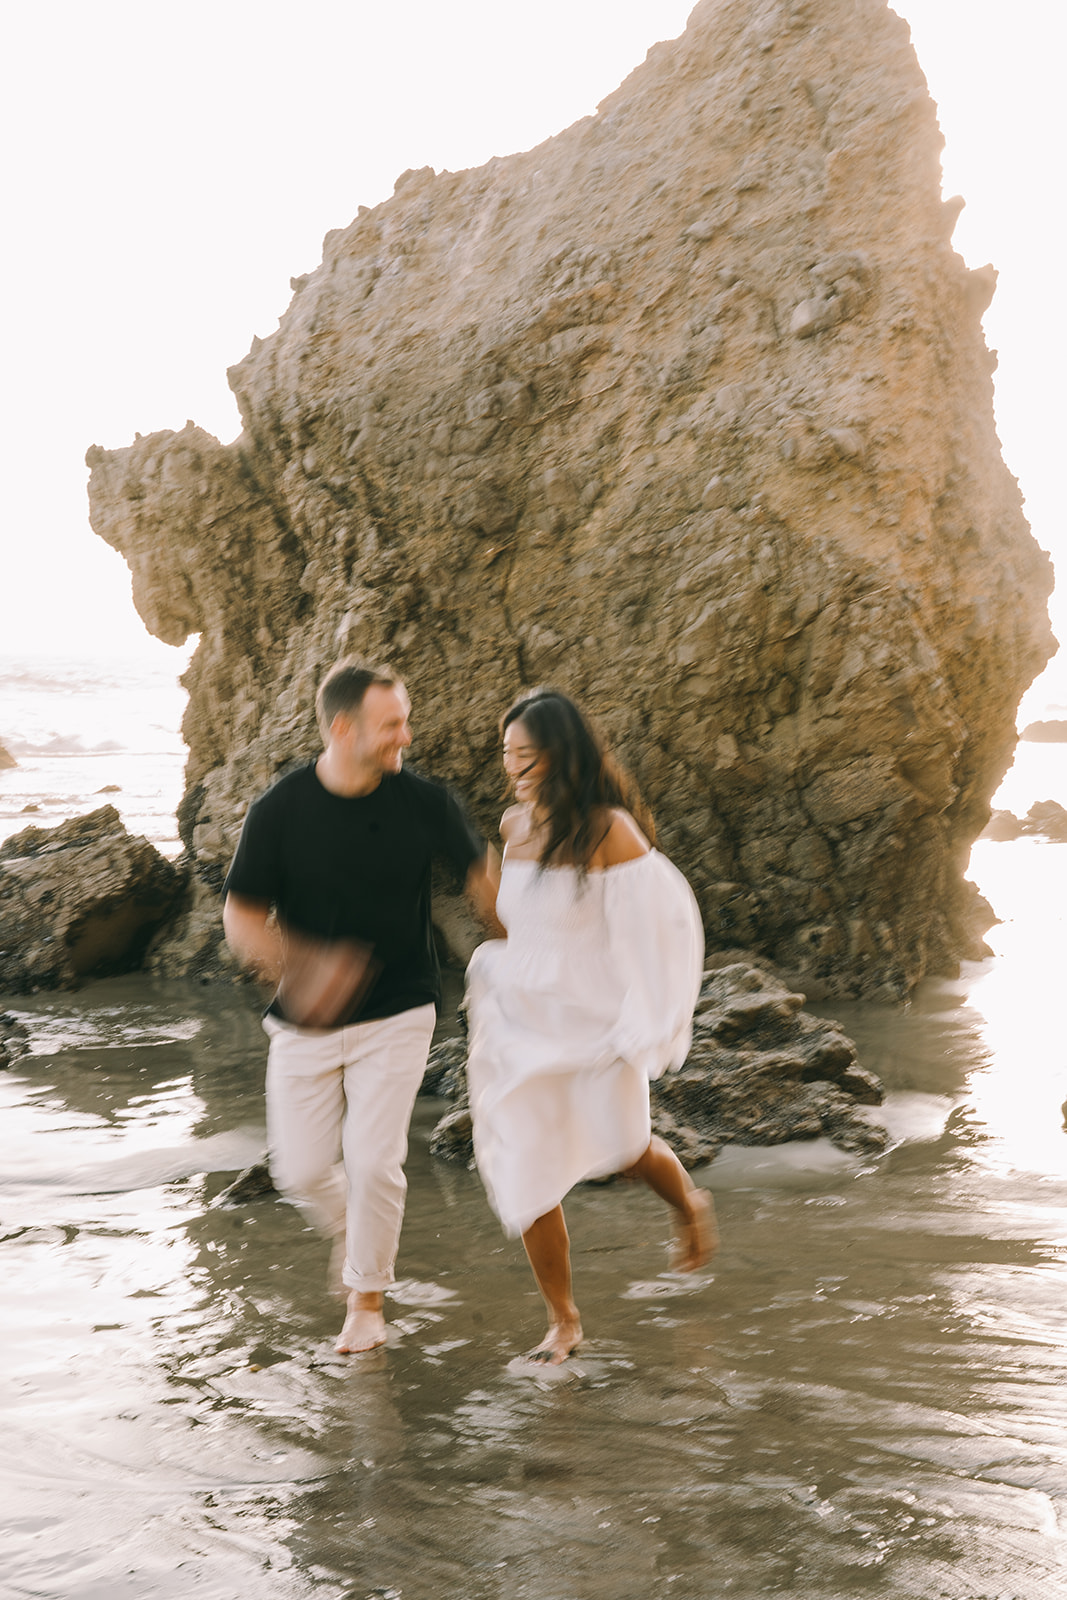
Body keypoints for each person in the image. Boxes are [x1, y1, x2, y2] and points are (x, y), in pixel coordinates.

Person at [222, 659, 498, 1354]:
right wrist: (296, 966)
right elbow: (242, 915)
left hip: (400, 1008)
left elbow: (483, 885)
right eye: (391, 725)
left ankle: (366, 1302)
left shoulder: (425, 802)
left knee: (375, 1161)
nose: (405, 736)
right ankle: (354, 1233)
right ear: (342, 728)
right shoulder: (279, 810)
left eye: (404, 720)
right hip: (305, 1019)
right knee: (300, 1170)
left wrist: (524, 943)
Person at [465, 687, 717, 1365]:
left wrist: (652, 1015)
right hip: (522, 1021)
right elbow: (519, 927)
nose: (514, 768)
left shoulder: (609, 830)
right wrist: (489, 904)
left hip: (593, 1020)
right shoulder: (514, 828)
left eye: (528, 754)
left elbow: (661, 922)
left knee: (627, 1147)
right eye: (507, 754)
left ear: (561, 754)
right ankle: (563, 1319)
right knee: (526, 1170)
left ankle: (687, 1203)